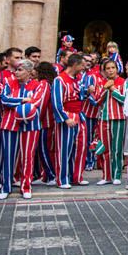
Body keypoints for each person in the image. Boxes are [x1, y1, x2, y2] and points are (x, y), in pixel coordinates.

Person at [0, 60, 45, 200]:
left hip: (30, 124)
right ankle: (6, 187)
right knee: (8, 156)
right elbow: (4, 99)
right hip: (9, 123)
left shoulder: (38, 85)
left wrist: (18, 100)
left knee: (28, 156)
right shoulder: (8, 82)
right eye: (16, 69)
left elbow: (35, 102)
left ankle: (26, 186)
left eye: (20, 70)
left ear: (29, 72)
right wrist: (23, 99)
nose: (16, 72)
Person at [51, 54, 87, 189]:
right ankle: (62, 179)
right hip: (68, 115)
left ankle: (76, 176)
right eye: (82, 65)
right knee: (64, 149)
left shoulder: (77, 79)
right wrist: (65, 118)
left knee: (80, 148)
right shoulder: (59, 80)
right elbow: (56, 102)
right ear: (75, 65)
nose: (84, 68)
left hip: (79, 115)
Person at [93, 58, 126, 186]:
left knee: (117, 148)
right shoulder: (101, 82)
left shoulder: (123, 82)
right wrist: (104, 89)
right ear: (104, 71)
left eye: (113, 68)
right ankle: (106, 176)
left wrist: (112, 89)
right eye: (108, 68)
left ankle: (117, 175)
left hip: (118, 118)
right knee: (105, 148)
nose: (111, 70)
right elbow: (96, 101)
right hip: (104, 118)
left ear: (117, 69)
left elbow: (125, 100)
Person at [34, 62, 58, 186]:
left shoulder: (43, 84)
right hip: (48, 122)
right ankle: (45, 176)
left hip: (44, 122)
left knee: (43, 150)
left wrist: (36, 118)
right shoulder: (50, 83)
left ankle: (51, 175)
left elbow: (41, 104)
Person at [79, 55, 100, 172]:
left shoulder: (92, 75)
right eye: (85, 60)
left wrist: (98, 103)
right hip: (82, 111)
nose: (88, 62)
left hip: (91, 112)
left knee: (91, 138)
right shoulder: (79, 75)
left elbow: (94, 93)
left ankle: (90, 161)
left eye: (90, 61)